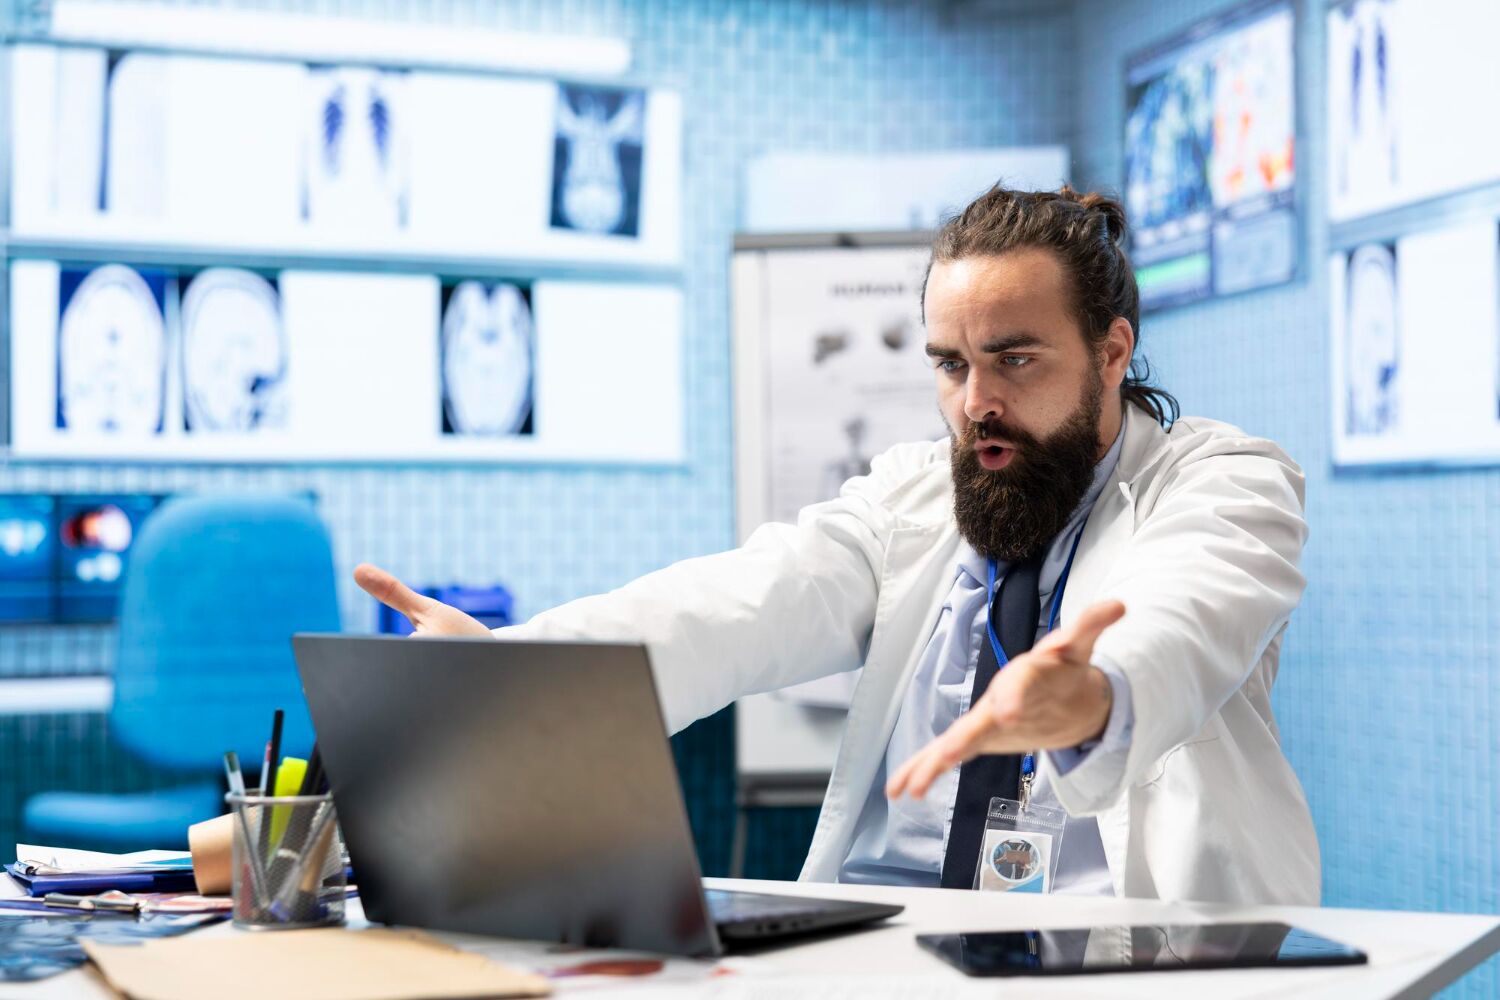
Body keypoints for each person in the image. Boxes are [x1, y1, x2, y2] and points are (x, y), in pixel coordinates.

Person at [356, 184, 1319, 906]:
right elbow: (734, 607)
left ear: (1112, 351)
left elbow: (1185, 613)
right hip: (896, 944)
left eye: (1015, 358)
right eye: (952, 364)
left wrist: (1096, 692)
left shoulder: (1223, 481)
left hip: (1120, 956)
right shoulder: (915, 495)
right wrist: (511, 669)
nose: (976, 400)